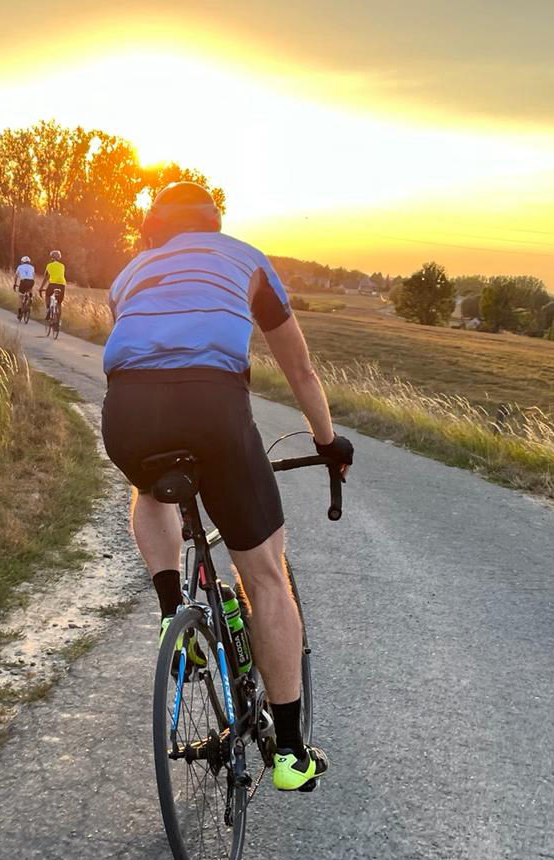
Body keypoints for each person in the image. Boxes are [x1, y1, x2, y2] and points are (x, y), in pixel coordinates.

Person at [100, 182, 354, 792]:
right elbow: (300, 368)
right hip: (214, 407)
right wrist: (327, 442)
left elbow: (144, 353)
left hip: (126, 415)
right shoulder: (246, 259)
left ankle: (171, 613)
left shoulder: (131, 272)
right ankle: (291, 753)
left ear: (154, 230)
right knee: (266, 572)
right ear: (216, 225)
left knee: (149, 486)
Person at [39, 250, 66, 320]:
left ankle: (48, 309)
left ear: (52, 257)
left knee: (48, 295)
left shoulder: (49, 265)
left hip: (52, 284)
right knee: (59, 303)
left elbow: (45, 278)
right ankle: (58, 321)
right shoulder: (62, 266)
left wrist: (41, 288)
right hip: (62, 285)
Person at [13, 255, 36, 319]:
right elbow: (33, 276)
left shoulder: (20, 267)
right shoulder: (32, 267)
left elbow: (16, 276)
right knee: (30, 288)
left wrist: (15, 284)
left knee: (21, 296)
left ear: (22, 262)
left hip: (23, 281)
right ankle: (30, 297)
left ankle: (20, 312)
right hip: (31, 281)